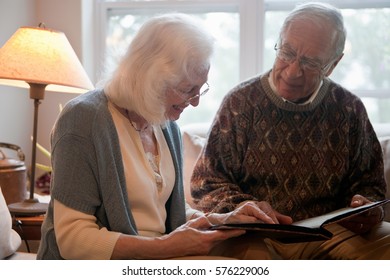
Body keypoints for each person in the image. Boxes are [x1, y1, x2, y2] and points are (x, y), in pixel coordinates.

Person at [36, 13, 278, 260]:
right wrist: (166, 247)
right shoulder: (82, 120)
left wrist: (220, 219)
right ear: (151, 80)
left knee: (261, 252)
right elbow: (73, 240)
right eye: (187, 90)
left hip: (158, 258)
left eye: (200, 89)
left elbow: (165, 212)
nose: (194, 102)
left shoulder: (164, 123)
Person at [191, 2, 390, 259]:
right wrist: (243, 206)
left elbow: (370, 186)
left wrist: (368, 209)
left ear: (332, 64)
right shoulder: (240, 103)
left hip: (331, 233)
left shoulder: (349, 109)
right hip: (258, 234)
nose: (293, 71)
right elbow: (205, 184)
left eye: (310, 62)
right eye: (287, 53)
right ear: (279, 42)